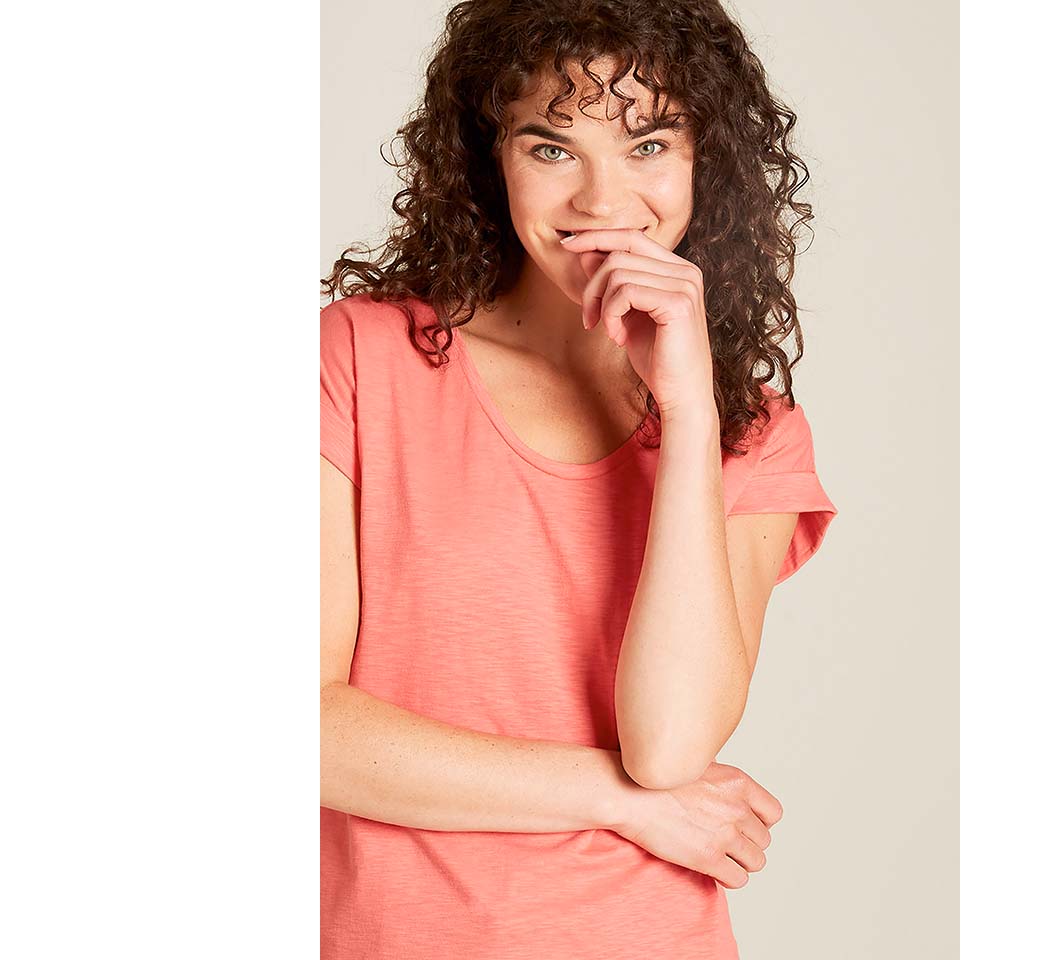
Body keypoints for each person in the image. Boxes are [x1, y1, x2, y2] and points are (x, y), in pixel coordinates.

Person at [320, 1, 837, 956]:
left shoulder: (750, 434)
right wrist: (617, 800)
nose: (603, 203)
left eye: (649, 144)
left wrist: (689, 414)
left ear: (708, 161)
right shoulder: (356, 360)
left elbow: (669, 749)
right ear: (492, 158)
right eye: (552, 148)